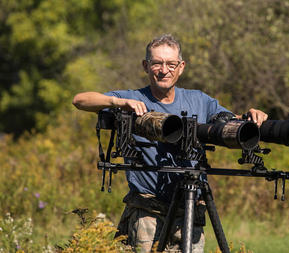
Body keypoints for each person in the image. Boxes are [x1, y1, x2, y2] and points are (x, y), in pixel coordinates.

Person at [72, 34, 268, 252]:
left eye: (171, 64)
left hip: (190, 209)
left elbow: (230, 123)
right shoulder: (133, 98)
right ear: (146, 66)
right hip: (148, 210)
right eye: (157, 63)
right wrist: (119, 102)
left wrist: (250, 117)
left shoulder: (199, 100)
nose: (164, 70)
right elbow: (80, 100)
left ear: (181, 67)